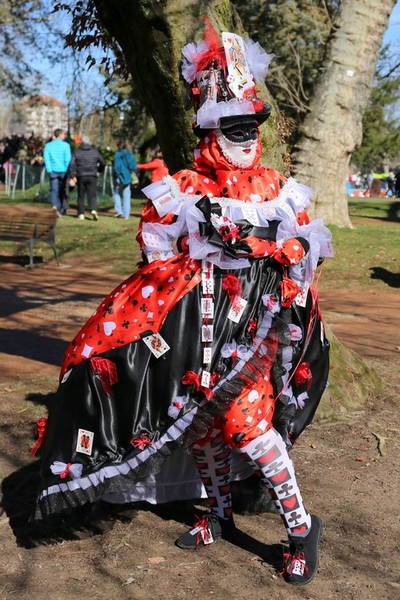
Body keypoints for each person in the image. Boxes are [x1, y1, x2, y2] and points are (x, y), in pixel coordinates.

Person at [33, 24, 333, 586]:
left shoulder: (276, 186)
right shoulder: (187, 186)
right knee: (197, 425)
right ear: (211, 132)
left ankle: (300, 526)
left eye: (251, 127)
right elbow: (154, 251)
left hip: (258, 327)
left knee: (246, 423)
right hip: (197, 328)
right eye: (233, 129)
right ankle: (216, 513)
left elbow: (311, 248)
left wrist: (280, 250)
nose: (245, 139)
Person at [69, 136, 106, 220]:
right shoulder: (95, 152)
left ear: (81, 142)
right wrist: (99, 170)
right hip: (92, 175)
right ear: (89, 142)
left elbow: (72, 164)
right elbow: (103, 162)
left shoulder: (77, 151)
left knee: (81, 195)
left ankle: (81, 214)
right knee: (92, 194)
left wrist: (72, 175)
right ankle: (93, 209)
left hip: (81, 175)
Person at [43, 128, 71, 215]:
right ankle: (59, 208)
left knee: (53, 189)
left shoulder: (48, 146)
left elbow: (46, 159)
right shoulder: (66, 145)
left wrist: (49, 169)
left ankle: (54, 205)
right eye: (64, 134)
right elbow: (68, 159)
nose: (65, 136)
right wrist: (67, 169)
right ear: (60, 135)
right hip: (63, 170)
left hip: (53, 170)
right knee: (62, 190)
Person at [112, 141, 138, 218]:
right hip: (128, 177)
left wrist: (117, 175)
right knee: (127, 195)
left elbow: (117, 167)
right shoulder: (130, 155)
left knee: (116, 193)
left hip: (119, 177)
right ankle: (126, 215)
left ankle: (118, 210)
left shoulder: (117, 155)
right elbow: (134, 167)